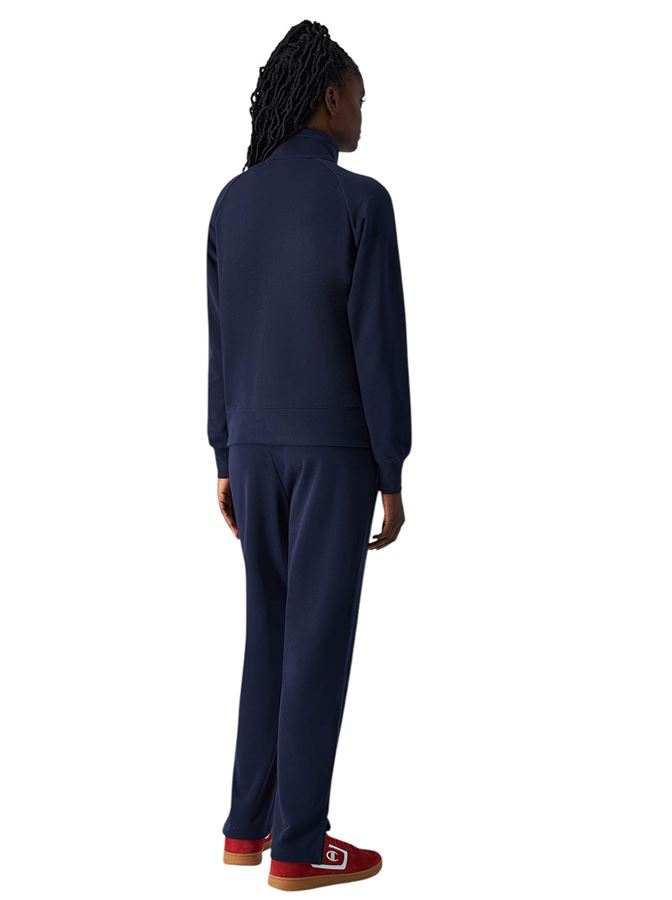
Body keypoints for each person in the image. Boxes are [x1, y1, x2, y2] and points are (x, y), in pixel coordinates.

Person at [207, 20, 412, 891]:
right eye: (359, 97)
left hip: (252, 448)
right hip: (334, 451)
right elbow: (379, 349)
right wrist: (392, 470)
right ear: (329, 98)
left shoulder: (231, 202)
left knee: (270, 635)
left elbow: (222, 341)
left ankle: (245, 827)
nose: (364, 112)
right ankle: (298, 846)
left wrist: (224, 453)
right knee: (316, 643)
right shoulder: (363, 202)